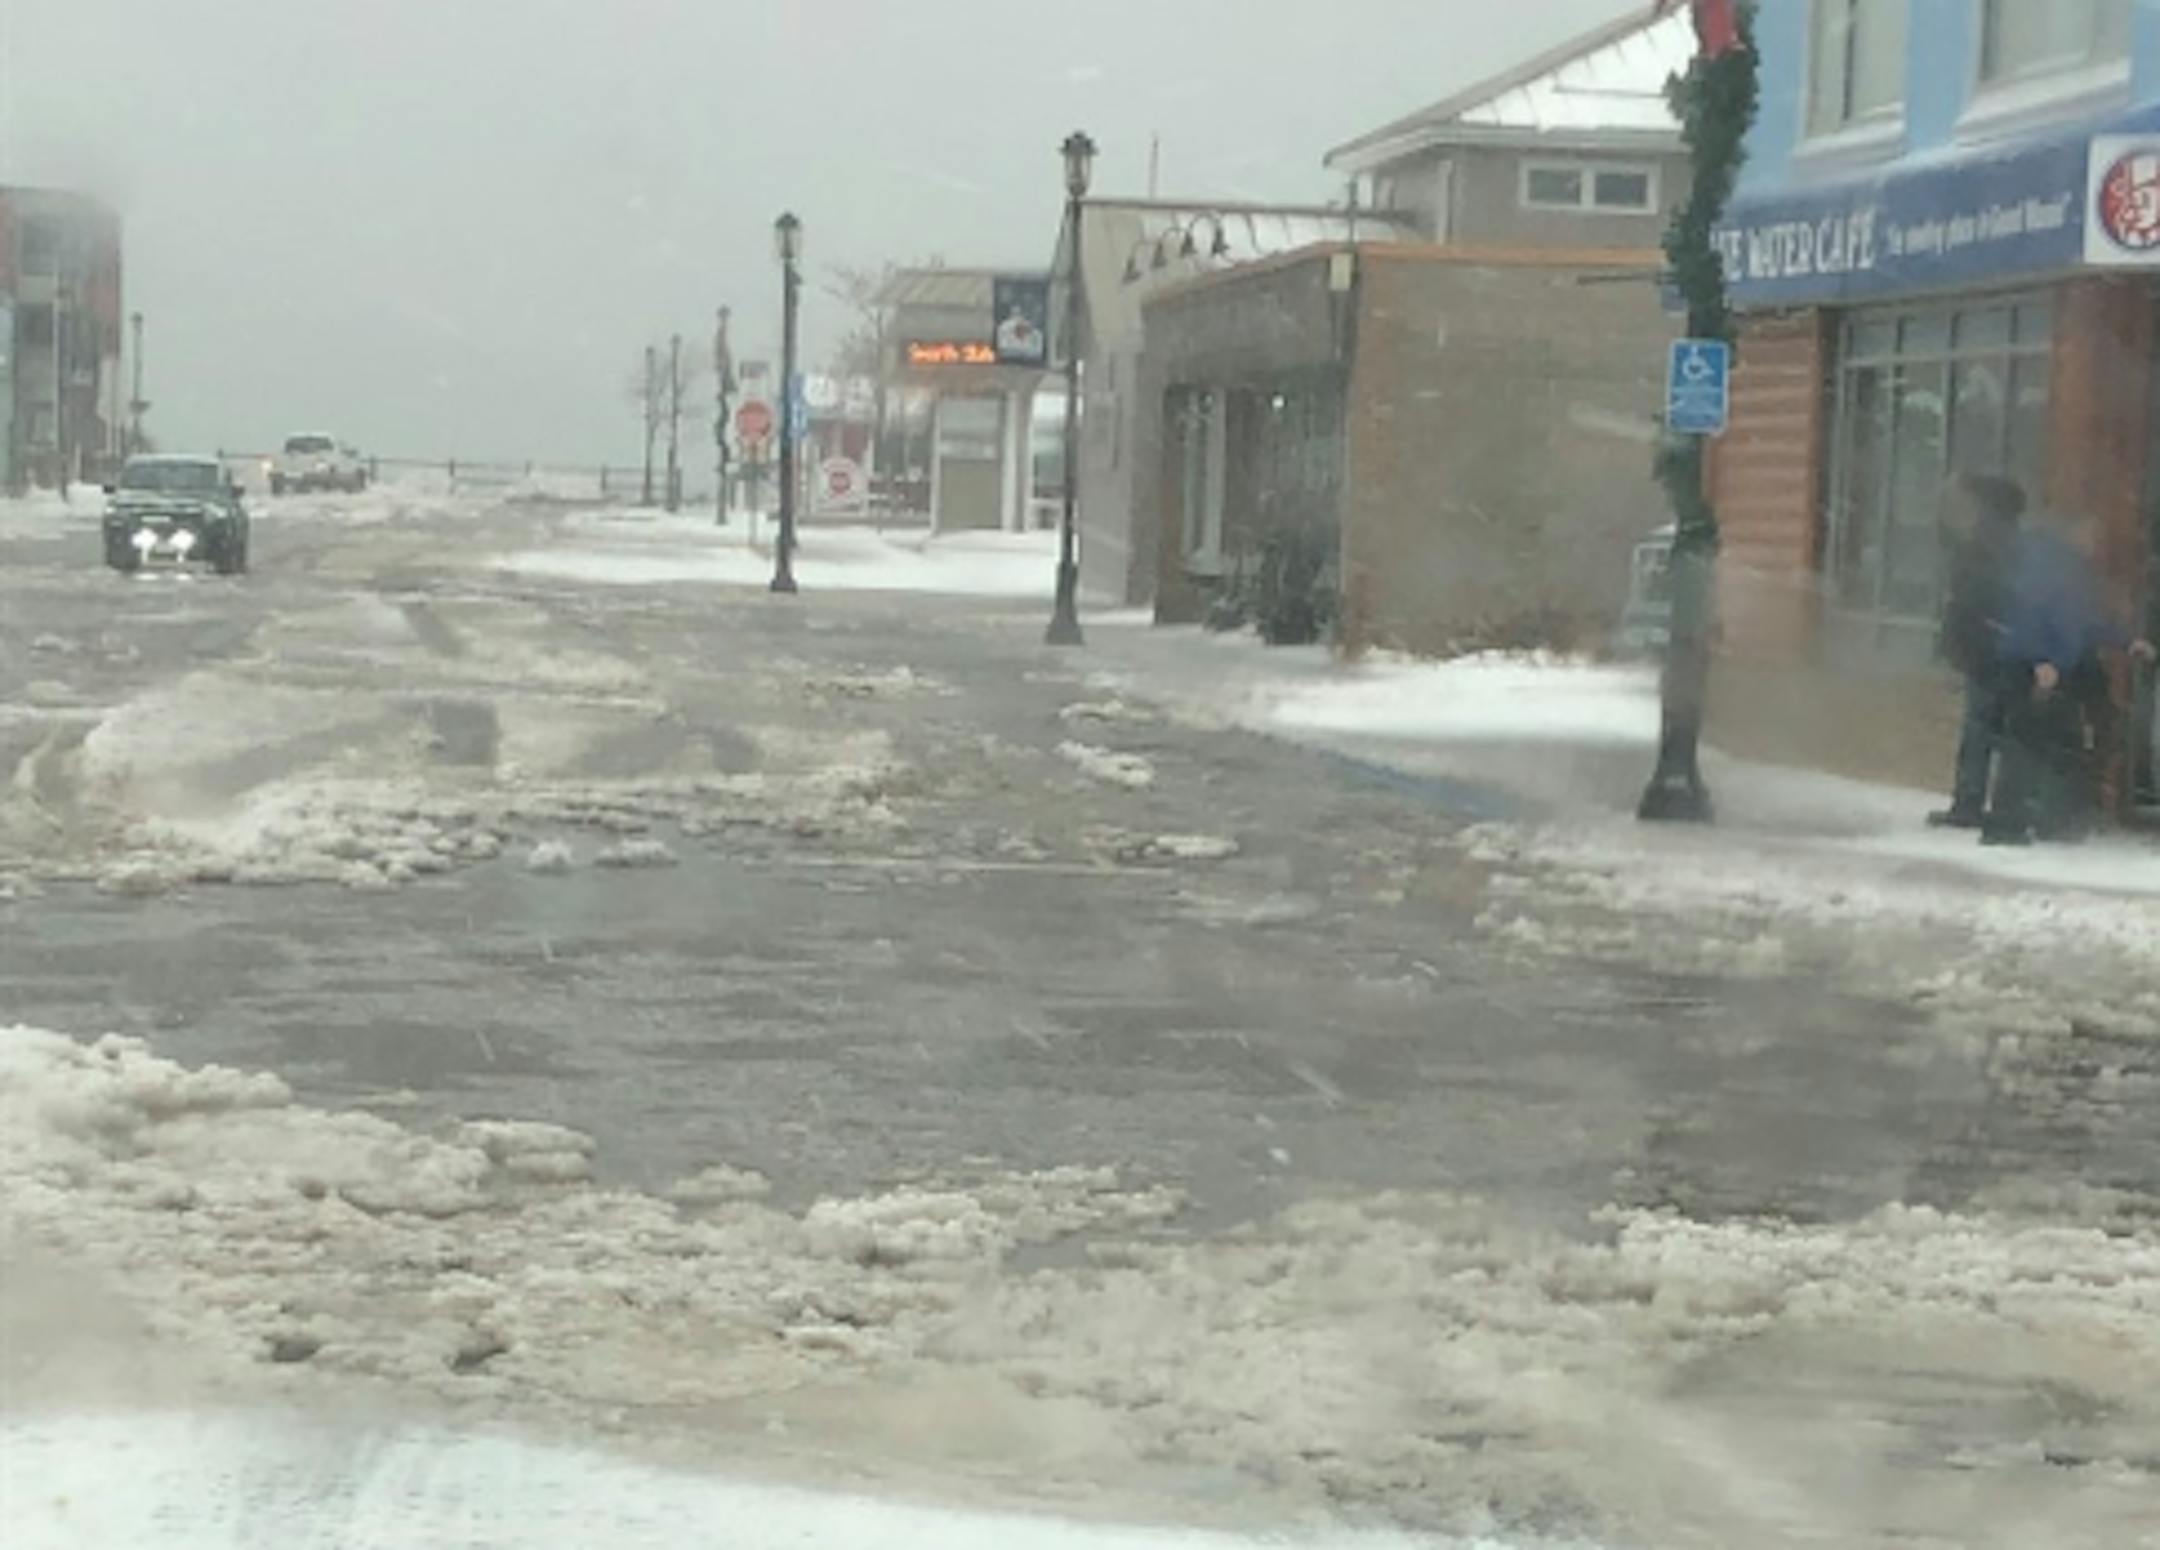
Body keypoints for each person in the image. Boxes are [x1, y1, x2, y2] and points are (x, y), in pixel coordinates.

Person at [1982, 507, 2154, 846]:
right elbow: (2027, 612)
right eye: (2093, 536)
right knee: (2027, 744)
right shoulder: (2048, 564)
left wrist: (2126, 641)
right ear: (2074, 533)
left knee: (2055, 745)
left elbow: (2080, 623)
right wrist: (2040, 661)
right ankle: (2007, 824)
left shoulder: (2068, 567)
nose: (2097, 545)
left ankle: (2049, 820)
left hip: (2052, 667)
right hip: (2032, 667)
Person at [1929, 474, 2024, 830]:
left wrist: (1958, 642)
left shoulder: (1981, 545)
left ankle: (1970, 803)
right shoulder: (2014, 543)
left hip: (1987, 648)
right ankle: (2003, 804)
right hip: (2005, 646)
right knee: (2003, 730)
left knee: (1981, 728)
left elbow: (1969, 600)